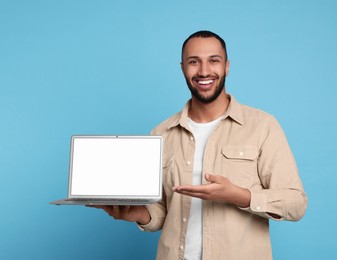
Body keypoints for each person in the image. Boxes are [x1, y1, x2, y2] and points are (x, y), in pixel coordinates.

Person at [94, 30, 308, 260]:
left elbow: (295, 203)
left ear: (226, 66)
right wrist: (138, 214)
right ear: (183, 68)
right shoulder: (161, 134)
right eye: (194, 62)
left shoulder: (262, 126)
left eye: (213, 61)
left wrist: (238, 195)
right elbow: (164, 211)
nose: (204, 71)